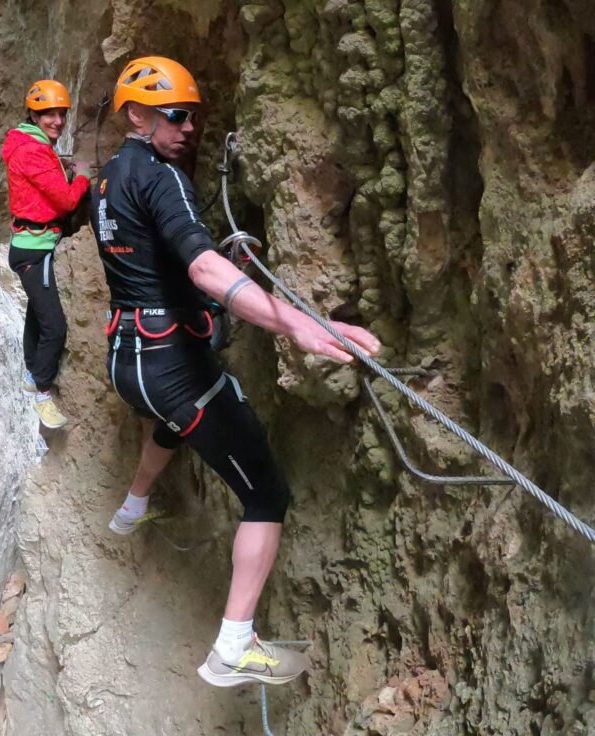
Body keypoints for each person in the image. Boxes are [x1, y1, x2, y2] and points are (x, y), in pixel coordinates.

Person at [90, 57, 381, 687]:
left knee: (180, 423)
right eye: (175, 114)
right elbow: (200, 271)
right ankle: (234, 647)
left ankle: (131, 508)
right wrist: (299, 322)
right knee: (266, 494)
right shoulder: (163, 179)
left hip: (129, 362)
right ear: (136, 113)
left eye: (193, 115)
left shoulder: (109, 178)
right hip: (172, 365)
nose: (189, 126)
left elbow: (151, 257)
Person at [2, 79, 93, 429]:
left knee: (37, 313)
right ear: (34, 114)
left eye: (61, 114)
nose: (56, 121)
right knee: (55, 325)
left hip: (28, 245)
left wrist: (62, 167)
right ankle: (42, 391)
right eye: (48, 114)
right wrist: (82, 176)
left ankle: (29, 369)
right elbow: (68, 201)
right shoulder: (34, 152)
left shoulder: (29, 143)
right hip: (35, 250)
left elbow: (43, 179)